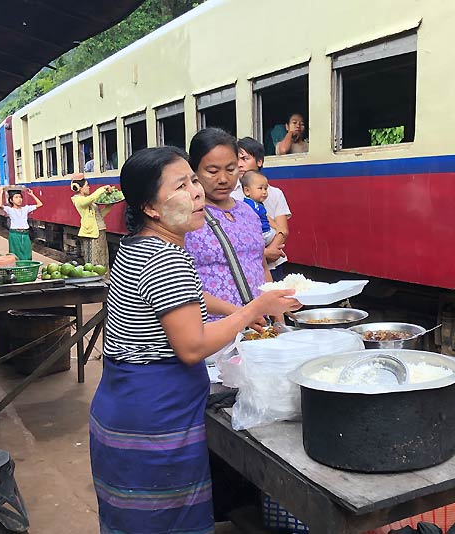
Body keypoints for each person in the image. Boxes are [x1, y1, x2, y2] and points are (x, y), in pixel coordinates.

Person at [89, 146, 301, 534]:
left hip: (123, 407)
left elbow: (190, 298)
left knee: (132, 520)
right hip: (156, 417)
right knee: (167, 522)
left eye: (193, 180)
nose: (198, 190)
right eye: (182, 185)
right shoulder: (167, 259)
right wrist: (253, 311)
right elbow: (192, 347)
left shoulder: (139, 246)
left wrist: (243, 311)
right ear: (152, 208)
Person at [185, 129, 278, 321]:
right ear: (194, 170)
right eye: (212, 171)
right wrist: (242, 315)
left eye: (231, 169)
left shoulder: (248, 212)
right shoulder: (187, 216)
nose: (223, 179)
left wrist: (278, 319)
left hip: (257, 328)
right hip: (212, 332)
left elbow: (262, 267)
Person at [235, 137, 291, 281]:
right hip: (245, 265)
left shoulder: (275, 193)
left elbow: (283, 230)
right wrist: (263, 253)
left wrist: (272, 251)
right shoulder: (231, 194)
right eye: (236, 160)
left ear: (259, 161)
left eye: (244, 158)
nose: (239, 164)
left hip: (274, 265)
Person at [70, 174, 115, 267]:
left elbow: (99, 215)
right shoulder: (78, 200)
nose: (89, 187)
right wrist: (103, 188)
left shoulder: (88, 201)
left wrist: (110, 205)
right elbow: (91, 198)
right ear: (79, 188)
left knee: (103, 258)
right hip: (91, 233)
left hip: (100, 230)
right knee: (93, 260)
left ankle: (104, 278)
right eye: (87, 185)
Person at [0, 186, 43, 260]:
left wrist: (32, 195)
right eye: (16, 197)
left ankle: (27, 269)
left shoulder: (26, 208)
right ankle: (16, 270)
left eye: (20, 197)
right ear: (11, 200)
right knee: (15, 254)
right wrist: (1, 192)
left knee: (27, 253)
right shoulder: (9, 209)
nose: (19, 199)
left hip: (25, 234)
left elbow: (40, 204)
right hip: (14, 234)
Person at [240, 170, 278, 245]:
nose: (264, 192)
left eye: (265, 189)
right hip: (262, 234)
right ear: (247, 191)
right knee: (278, 234)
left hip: (261, 234)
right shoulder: (253, 206)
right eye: (260, 188)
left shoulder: (252, 203)